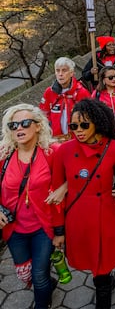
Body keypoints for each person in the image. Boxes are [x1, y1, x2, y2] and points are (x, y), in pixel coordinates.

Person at [52, 99, 115, 309]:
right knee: (96, 267)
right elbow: (56, 195)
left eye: (84, 125)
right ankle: (107, 281)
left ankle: (104, 290)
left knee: (102, 270)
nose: (79, 130)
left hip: (106, 217)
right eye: (74, 126)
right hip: (78, 219)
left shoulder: (114, 148)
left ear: (97, 122)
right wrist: (59, 230)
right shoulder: (63, 151)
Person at [0, 104, 64, 309]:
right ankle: (47, 283)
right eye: (13, 125)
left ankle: (42, 299)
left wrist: (64, 186)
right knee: (24, 273)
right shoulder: (3, 155)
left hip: (43, 228)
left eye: (25, 123)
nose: (19, 128)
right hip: (13, 228)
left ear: (37, 126)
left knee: (39, 275)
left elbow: (80, 168)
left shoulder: (51, 151)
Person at [39, 57, 90, 141]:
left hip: (77, 139)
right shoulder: (49, 92)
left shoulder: (81, 92)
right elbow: (42, 115)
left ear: (71, 73)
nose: (60, 74)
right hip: (56, 140)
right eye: (57, 70)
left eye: (64, 70)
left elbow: (90, 117)